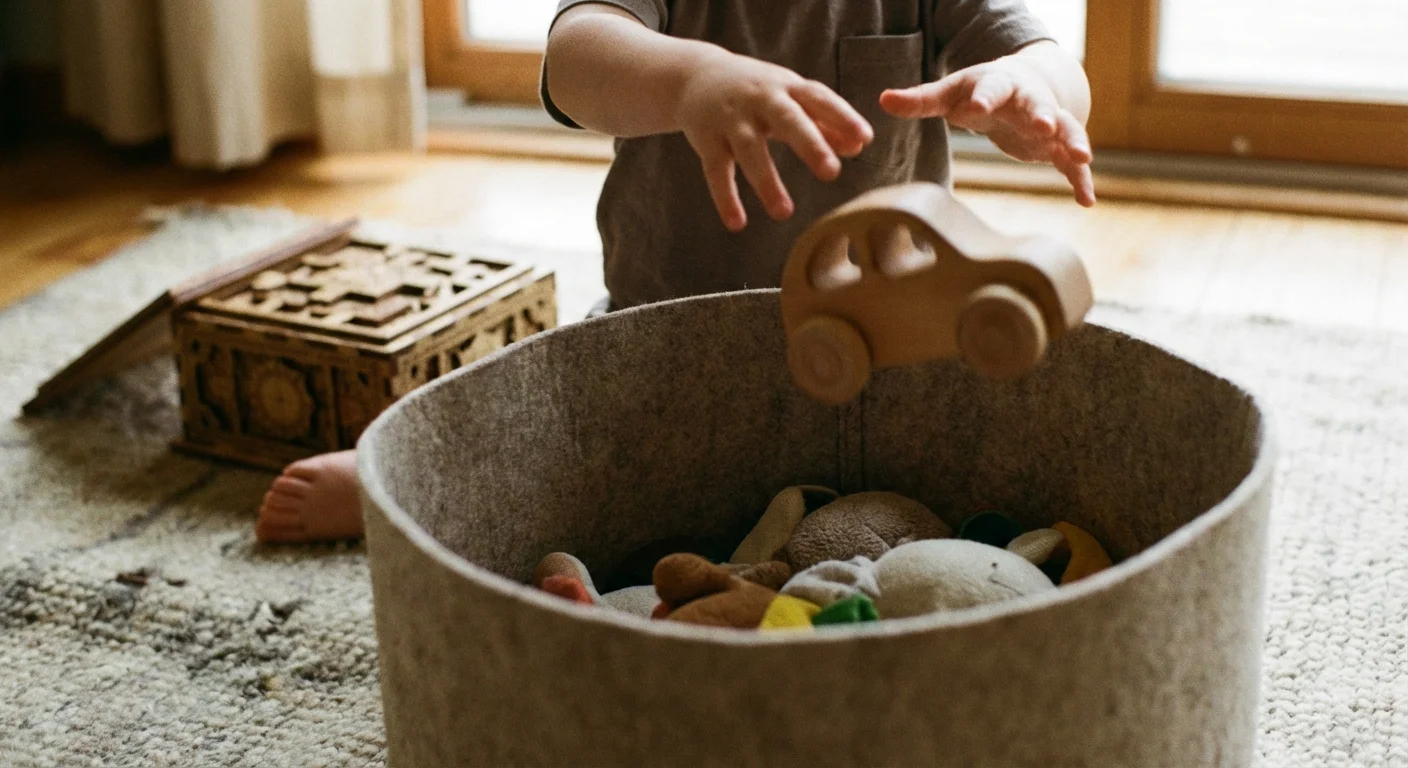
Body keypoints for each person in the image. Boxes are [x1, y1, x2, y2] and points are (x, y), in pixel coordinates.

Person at [255, 0, 1095, 544]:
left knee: (965, 472)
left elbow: (1049, 56)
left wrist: (1032, 90)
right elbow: (577, 57)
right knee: (536, 444)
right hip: (658, 338)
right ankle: (399, 481)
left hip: (880, 347)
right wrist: (690, 76)